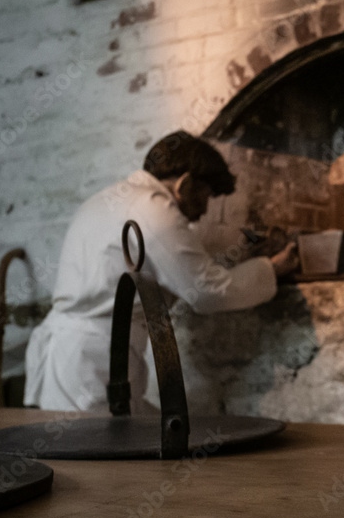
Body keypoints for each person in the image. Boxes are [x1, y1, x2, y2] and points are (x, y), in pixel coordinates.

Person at [24, 131, 298, 413]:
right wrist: (272, 269)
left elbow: (173, 269)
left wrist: (239, 258)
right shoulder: (153, 206)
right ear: (185, 182)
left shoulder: (110, 199)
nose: (205, 209)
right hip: (94, 364)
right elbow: (206, 292)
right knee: (110, 450)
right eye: (206, 194)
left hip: (71, 357)